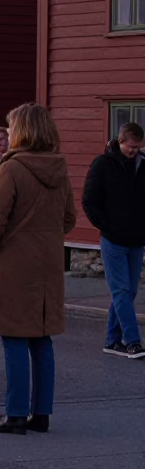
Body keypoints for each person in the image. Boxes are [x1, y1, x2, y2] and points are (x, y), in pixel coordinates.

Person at [0, 103, 76, 434]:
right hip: (47, 264)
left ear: (23, 131)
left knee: (14, 337)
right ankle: (41, 413)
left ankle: (16, 413)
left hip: (13, 264)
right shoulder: (58, 169)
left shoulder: (11, 169)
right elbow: (69, 218)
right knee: (41, 338)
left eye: (12, 127)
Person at [82, 121, 145, 359]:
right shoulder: (102, 165)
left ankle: (112, 340)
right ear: (120, 142)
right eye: (131, 147)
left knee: (128, 293)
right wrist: (107, 226)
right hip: (113, 240)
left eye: (138, 147)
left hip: (137, 240)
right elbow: (89, 201)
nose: (135, 151)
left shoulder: (143, 165)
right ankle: (132, 342)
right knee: (120, 290)